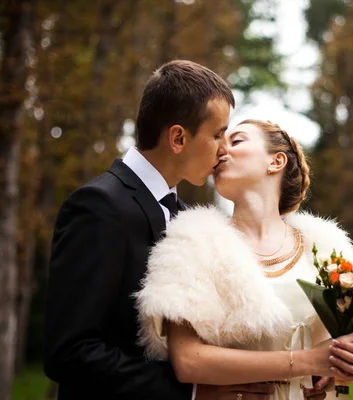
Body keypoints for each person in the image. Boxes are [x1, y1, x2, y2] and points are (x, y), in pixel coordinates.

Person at [44, 60, 274, 399]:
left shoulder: (184, 218)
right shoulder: (98, 207)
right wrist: (191, 394)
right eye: (216, 134)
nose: (224, 149)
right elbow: (71, 352)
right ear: (178, 138)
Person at [135, 119, 353, 400]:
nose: (221, 149)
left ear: (276, 161)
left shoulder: (327, 250)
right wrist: (309, 360)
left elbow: (339, 356)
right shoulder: (192, 241)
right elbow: (188, 361)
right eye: (220, 140)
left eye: (236, 141)